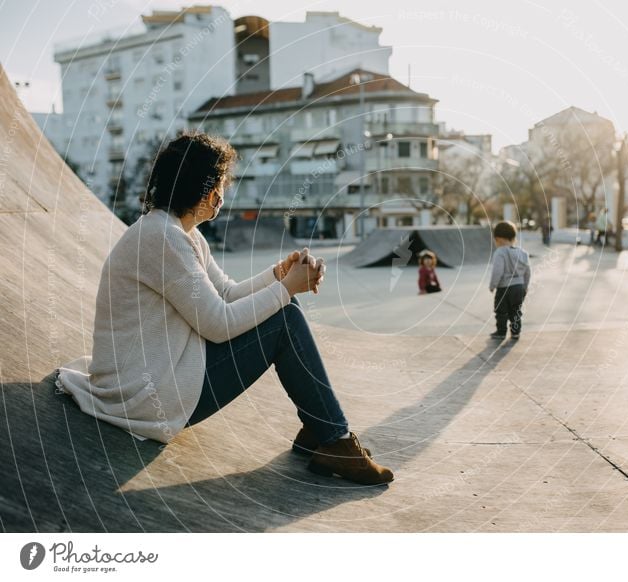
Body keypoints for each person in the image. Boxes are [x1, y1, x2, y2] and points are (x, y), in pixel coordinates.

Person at [55, 131, 393, 486]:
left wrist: (277, 276)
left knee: (285, 308)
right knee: (286, 318)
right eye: (221, 182)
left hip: (160, 378)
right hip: (150, 397)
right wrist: (285, 288)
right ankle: (334, 439)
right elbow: (219, 324)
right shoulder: (161, 238)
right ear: (204, 189)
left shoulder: (182, 234)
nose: (224, 191)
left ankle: (320, 427)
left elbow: (227, 295)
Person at [489, 221, 531, 340]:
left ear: (498, 238)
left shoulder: (500, 252)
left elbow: (498, 271)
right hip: (519, 287)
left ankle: (501, 332)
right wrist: (525, 286)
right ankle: (516, 332)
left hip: (504, 288)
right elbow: (528, 271)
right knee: (516, 310)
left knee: (501, 311)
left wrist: (493, 285)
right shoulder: (523, 253)